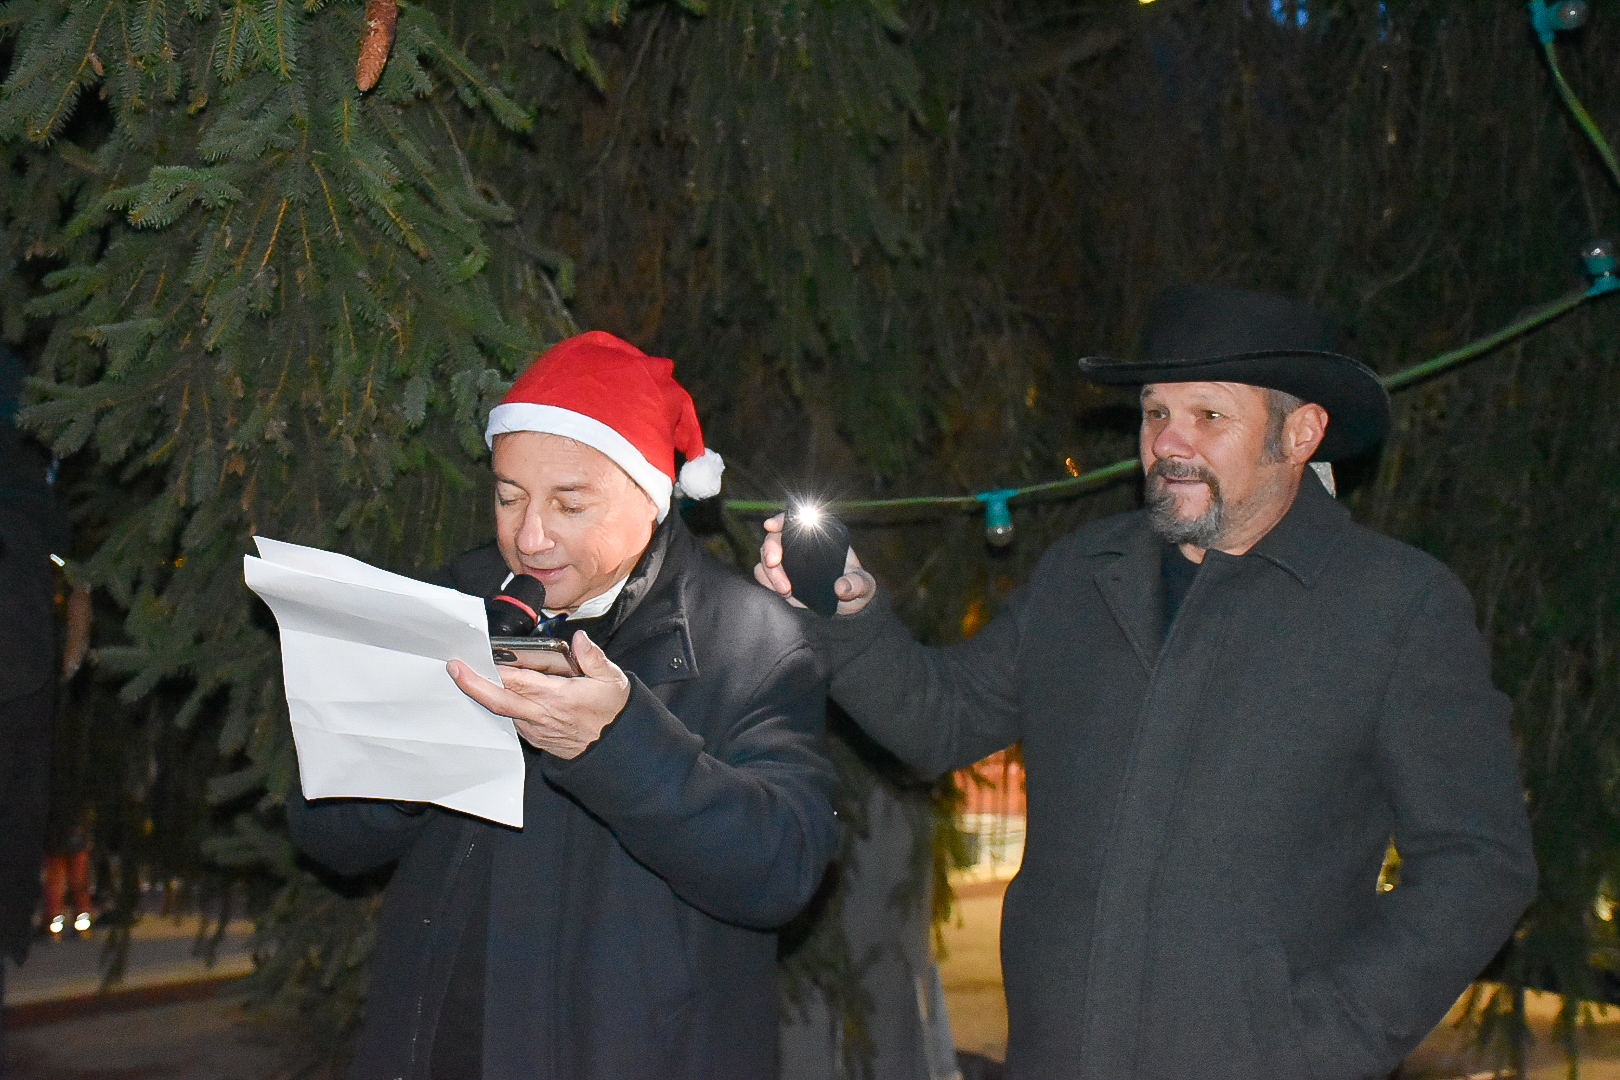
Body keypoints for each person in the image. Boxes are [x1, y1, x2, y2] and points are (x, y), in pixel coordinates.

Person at [755, 283, 1538, 1080]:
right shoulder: (1082, 575)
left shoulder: (1395, 608)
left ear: (1301, 433)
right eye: (1155, 412)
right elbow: (940, 719)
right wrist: (844, 612)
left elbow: (1479, 862)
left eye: (1210, 415)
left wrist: (1323, 1042)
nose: (1169, 442)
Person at [288, 331, 840, 1080]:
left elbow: (782, 868)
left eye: (569, 504)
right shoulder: (451, 604)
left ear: (651, 498)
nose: (529, 536)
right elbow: (322, 828)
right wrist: (409, 763)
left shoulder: (749, 642)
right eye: (508, 496)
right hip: (442, 1048)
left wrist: (617, 744)